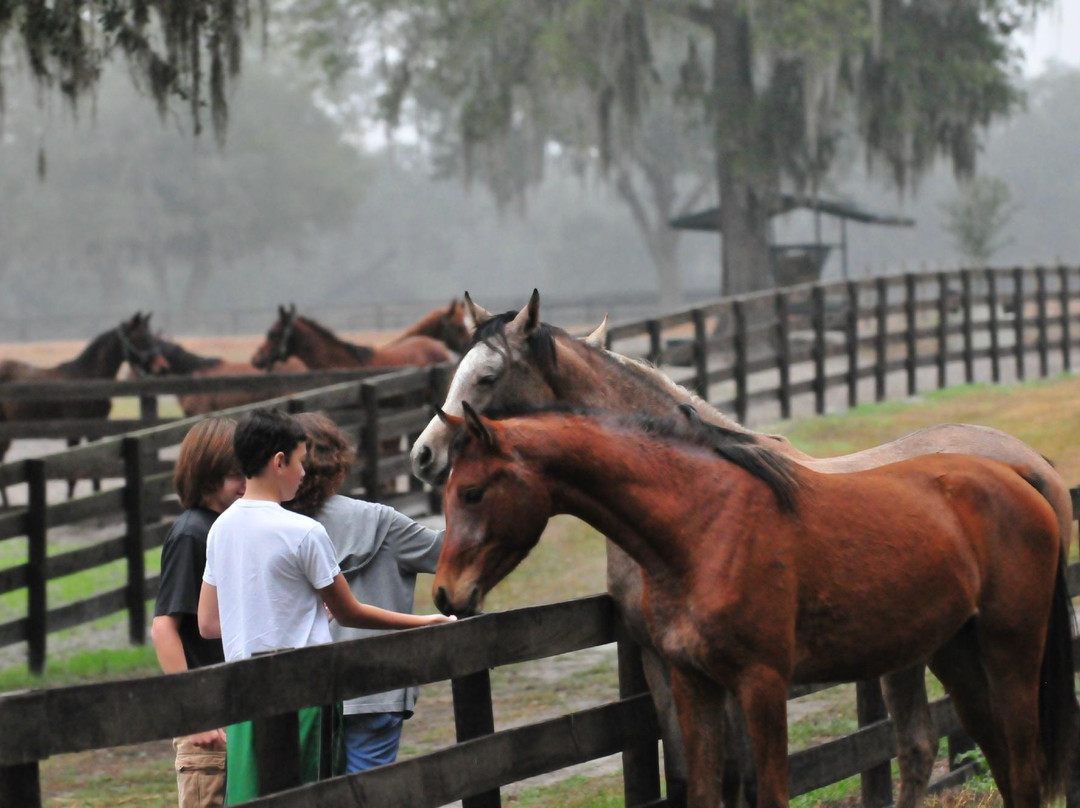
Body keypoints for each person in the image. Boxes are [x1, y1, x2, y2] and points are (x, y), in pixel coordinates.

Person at [197, 407, 452, 804]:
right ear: (279, 461)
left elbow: (209, 624)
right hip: (307, 694)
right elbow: (351, 612)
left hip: (245, 697)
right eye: (300, 462)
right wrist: (422, 623)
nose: (304, 473)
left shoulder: (220, 529)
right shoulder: (304, 532)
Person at [286, 411, 444, 773]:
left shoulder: (271, 528)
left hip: (302, 692)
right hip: (378, 687)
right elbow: (447, 553)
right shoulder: (381, 522)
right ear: (337, 462)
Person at [151, 416, 246, 808]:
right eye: (235, 474)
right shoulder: (192, 533)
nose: (245, 484)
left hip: (237, 711)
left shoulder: (229, 527)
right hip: (209, 723)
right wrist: (194, 714)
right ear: (207, 474)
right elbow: (164, 629)